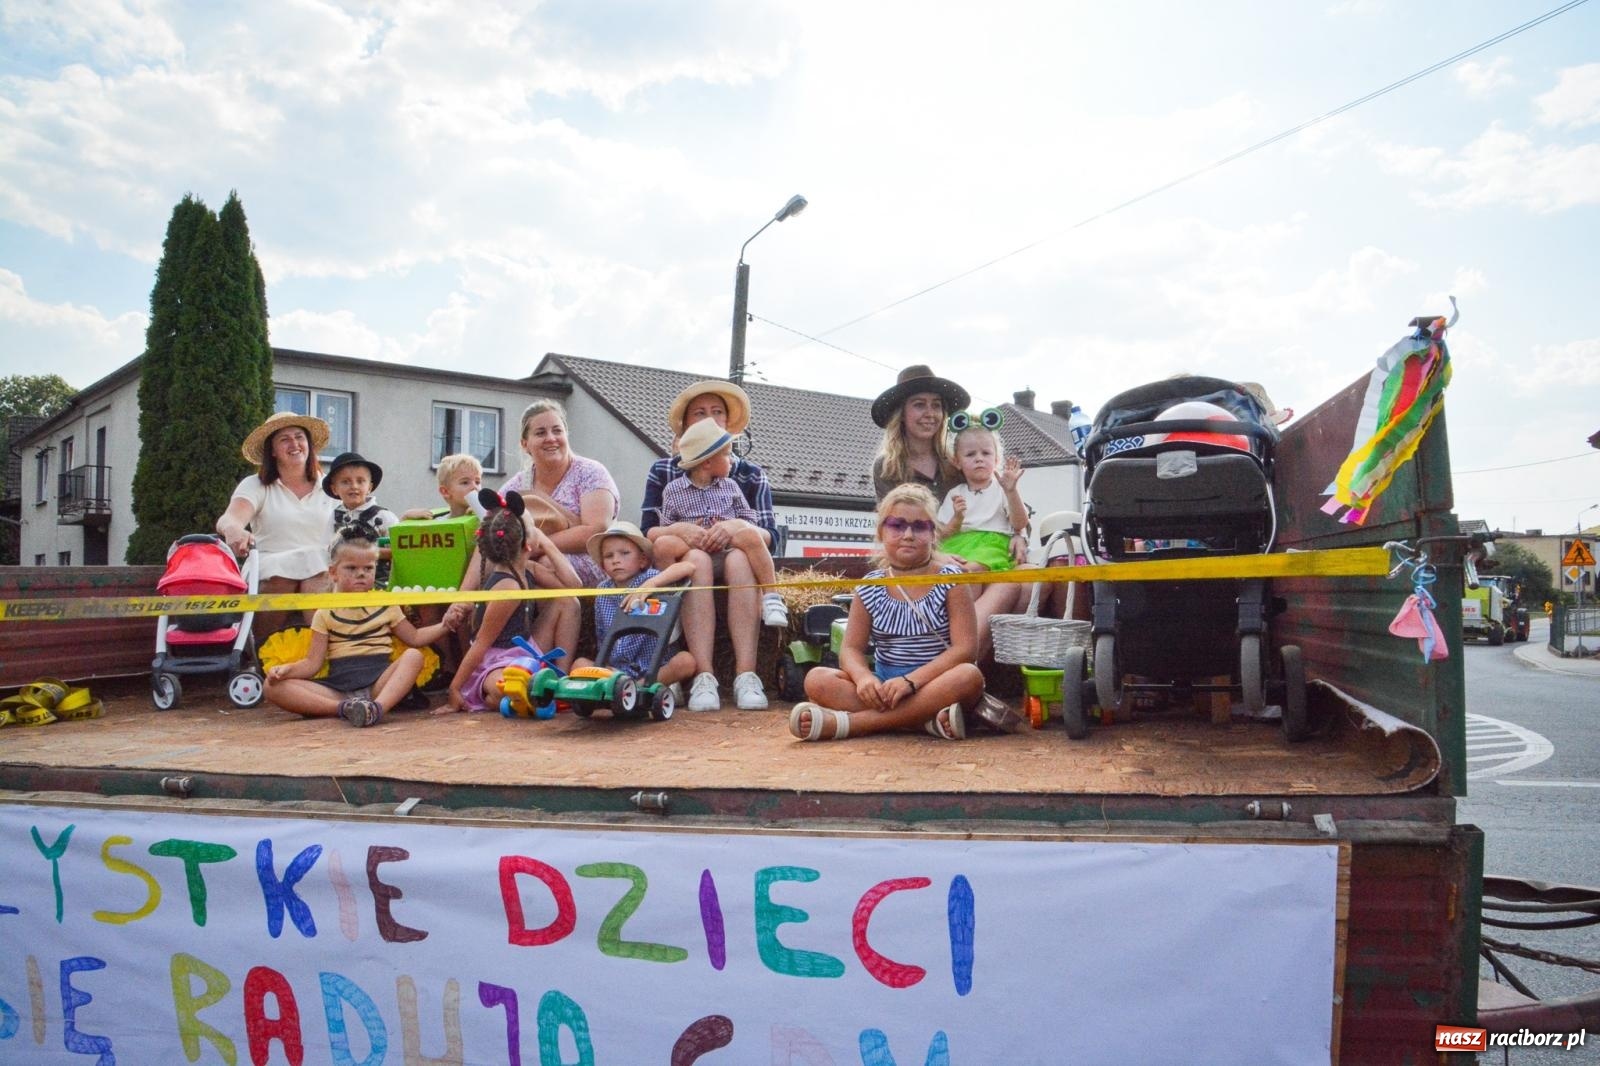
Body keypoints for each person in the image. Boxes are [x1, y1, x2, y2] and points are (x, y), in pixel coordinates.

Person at [789, 484, 984, 742]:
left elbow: (965, 650)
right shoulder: (870, 587)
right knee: (816, 679)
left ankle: (850, 724)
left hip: (935, 682)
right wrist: (863, 679)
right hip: (884, 687)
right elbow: (850, 650)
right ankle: (922, 721)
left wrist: (911, 681)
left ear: (933, 534)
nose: (908, 535)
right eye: (897, 525)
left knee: (968, 676)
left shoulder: (951, 580)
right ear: (881, 532)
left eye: (920, 526)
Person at [640, 379, 776, 712]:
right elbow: (648, 533)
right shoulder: (663, 472)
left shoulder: (751, 475)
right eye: (699, 413)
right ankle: (704, 676)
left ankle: (746, 674)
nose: (709, 419)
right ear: (686, 425)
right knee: (696, 559)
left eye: (717, 412)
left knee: (740, 559)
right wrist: (680, 529)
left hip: (736, 558)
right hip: (691, 561)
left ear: (728, 423)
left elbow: (770, 536)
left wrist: (736, 526)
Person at [263, 531, 457, 727]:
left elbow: (414, 637)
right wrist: (286, 670)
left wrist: (445, 625)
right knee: (272, 687)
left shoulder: (386, 604)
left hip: (379, 685)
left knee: (413, 656)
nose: (361, 573)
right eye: (351, 568)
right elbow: (312, 663)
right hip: (339, 689)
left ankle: (377, 709)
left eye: (368, 568)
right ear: (333, 573)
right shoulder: (324, 613)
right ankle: (345, 708)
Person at [441, 490, 582, 714]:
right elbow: (481, 644)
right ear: (527, 544)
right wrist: (454, 689)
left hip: (524, 651)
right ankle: (514, 693)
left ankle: (558, 679)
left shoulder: (529, 569)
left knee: (568, 601)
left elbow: (575, 587)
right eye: (534, 528)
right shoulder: (508, 588)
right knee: (506, 689)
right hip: (496, 662)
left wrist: (547, 544)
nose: (539, 532)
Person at [216, 412, 339, 638]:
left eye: (299, 437)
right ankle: (261, 647)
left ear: (309, 445)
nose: (294, 444)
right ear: (272, 451)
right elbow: (229, 518)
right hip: (268, 566)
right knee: (283, 576)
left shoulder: (331, 486)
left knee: (318, 568)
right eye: (284, 439)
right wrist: (234, 531)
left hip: (322, 567)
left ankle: (322, 649)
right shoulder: (255, 484)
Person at [659, 417, 789, 630]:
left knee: (750, 534)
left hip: (727, 549)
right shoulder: (673, 490)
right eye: (727, 455)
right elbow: (666, 526)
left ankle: (772, 598)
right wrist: (683, 531)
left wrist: (732, 526)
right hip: (693, 551)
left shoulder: (731, 486)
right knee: (663, 544)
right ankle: (669, 605)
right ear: (707, 462)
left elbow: (749, 520)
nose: (732, 461)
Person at [573, 521, 698, 690]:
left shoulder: (650, 578)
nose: (616, 560)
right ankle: (624, 686)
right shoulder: (602, 591)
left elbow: (688, 567)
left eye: (624, 553)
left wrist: (652, 584)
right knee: (579, 664)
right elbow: (602, 636)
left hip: (656, 664)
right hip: (618, 669)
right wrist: (605, 666)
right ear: (603, 565)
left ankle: (637, 687)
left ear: (642, 560)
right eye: (609, 556)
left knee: (686, 662)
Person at [937, 417, 1029, 573]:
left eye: (986, 453)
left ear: (996, 459)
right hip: (959, 543)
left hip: (992, 544)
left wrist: (1011, 492)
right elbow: (942, 532)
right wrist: (957, 518)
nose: (979, 459)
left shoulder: (1002, 489)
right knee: (945, 567)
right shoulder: (955, 493)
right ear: (957, 462)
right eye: (970, 454)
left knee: (971, 568)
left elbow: (1020, 524)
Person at [870, 365, 969, 502]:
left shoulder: (957, 461)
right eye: (919, 405)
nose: (930, 414)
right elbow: (892, 515)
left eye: (936, 405)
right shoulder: (887, 468)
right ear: (901, 414)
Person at [322, 451, 400, 585]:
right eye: (345, 482)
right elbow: (327, 550)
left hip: (379, 583)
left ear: (369, 487)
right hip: (344, 584)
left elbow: (400, 551)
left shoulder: (384, 516)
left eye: (360, 481)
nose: (354, 486)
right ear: (334, 489)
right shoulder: (335, 517)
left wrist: (375, 552)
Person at [400, 452, 483, 522]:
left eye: (477, 482)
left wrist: (484, 516)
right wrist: (405, 518)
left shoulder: (487, 517)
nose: (475, 487)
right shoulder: (437, 522)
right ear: (445, 491)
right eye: (465, 482)